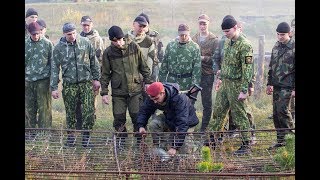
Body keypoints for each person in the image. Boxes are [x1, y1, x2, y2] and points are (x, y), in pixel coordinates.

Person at [100, 25, 152, 149]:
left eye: (120, 39)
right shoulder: (108, 52)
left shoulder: (134, 47)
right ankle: (121, 140)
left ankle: (140, 140)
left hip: (135, 90)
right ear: (111, 40)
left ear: (123, 37)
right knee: (119, 118)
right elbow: (105, 74)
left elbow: (143, 66)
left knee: (137, 117)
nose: (118, 43)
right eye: (115, 41)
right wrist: (104, 92)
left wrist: (148, 81)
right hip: (118, 92)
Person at [50, 22, 101, 148]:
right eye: (69, 34)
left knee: (89, 111)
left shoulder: (85, 42)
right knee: (70, 112)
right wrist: (54, 88)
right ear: (64, 34)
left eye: (73, 33)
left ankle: (86, 138)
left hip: (86, 83)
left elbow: (94, 61)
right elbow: (54, 68)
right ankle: (71, 138)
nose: (72, 36)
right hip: (69, 85)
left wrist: (96, 79)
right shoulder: (58, 48)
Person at [210, 16, 254, 155]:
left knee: (239, 115)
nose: (225, 34)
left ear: (236, 27)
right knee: (218, 111)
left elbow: (247, 69)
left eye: (228, 31)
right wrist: (220, 79)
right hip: (225, 83)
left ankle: (246, 144)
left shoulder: (245, 45)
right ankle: (212, 141)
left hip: (237, 85)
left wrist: (244, 90)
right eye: (224, 31)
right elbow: (226, 64)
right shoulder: (228, 42)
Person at [137, 82, 199, 156]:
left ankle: (195, 148)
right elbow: (145, 110)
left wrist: (175, 147)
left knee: (185, 151)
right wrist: (141, 125)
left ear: (162, 93)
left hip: (187, 122)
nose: (155, 102)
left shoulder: (179, 98)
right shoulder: (153, 95)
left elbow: (182, 122)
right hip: (169, 117)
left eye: (156, 99)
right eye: (152, 99)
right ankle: (162, 150)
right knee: (154, 124)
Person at [266, 22, 295, 150]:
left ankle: (291, 140)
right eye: (278, 34)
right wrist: (269, 83)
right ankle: (281, 141)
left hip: (288, 85)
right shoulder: (276, 46)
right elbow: (271, 66)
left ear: (289, 33)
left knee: (283, 111)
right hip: (277, 85)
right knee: (276, 114)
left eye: (282, 34)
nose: (280, 37)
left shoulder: (293, 47)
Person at [159, 23, 201, 104]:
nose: (184, 37)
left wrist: (194, 84)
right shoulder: (171, 46)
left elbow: (197, 68)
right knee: (171, 106)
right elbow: (164, 65)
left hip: (187, 83)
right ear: (178, 34)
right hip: (171, 82)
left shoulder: (194, 47)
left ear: (189, 34)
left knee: (186, 107)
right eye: (182, 35)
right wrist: (161, 82)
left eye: (186, 35)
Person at [76, 15, 105, 130]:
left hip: (92, 75)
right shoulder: (77, 37)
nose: (86, 27)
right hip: (79, 75)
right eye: (84, 25)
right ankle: (79, 121)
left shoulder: (97, 39)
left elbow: (100, 60)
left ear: (91, 25)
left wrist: (97, 77)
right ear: (81, 25)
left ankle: (90, 121)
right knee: (79, 100)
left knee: (91, 100)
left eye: (88, 25)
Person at [191, 14, 219, 132]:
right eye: (200, 23)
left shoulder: (214, 40)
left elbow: (216, 59)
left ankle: (204, 127)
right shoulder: (194, 38)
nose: (202, 26)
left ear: (208, 24)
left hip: (207, 74)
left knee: (206, 103)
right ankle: (189, 124)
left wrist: (204, 58)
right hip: (195, 75)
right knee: (190, 100)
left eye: (204, 24)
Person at [25, 22, 53, 129]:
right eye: (33, 34)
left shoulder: (47, 44)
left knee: (44, 108)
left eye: (37, 33)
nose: (36, 36)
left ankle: (44, 132)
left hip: (43, 81)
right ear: (29, 32)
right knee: (29, 107)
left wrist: (53, 81)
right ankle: (29, 130)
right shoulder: (25, 44)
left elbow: (52, 64)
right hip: (28, 81)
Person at [138, 12, 164, 81]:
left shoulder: (155, 35)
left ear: (148, 24)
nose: (142, 27)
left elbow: (161, 52)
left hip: (153, 67)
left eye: (144, 24)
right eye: (140, 25)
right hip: (138, 67)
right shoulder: (135, 36)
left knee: (153, 89)